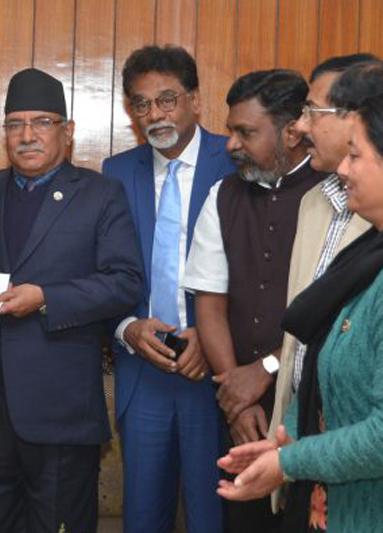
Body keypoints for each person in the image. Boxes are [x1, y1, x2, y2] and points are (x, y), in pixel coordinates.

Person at [0, 67, 143, 533]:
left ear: (67, 132)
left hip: (60, 409)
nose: (27, 135)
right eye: (15, 124)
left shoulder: (100, 194)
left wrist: (47, 298)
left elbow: (125, 281)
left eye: (42, 122)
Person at [217, 92, 383, 533]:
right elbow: (325, 378)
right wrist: (282, 439)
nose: (343, 170)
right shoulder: (365, 259)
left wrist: (290, 460)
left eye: (355, 156)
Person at [183, 69, 325, 532]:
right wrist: (238, 400)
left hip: (317, 408)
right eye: (230, 130)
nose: (231, 145)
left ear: (291, 132)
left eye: (246, 132)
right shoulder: (221, 196)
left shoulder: (337, 197)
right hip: (242, 411)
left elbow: (334, 312)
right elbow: (210, 305)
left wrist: (266, 371)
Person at [101, 45, 234, 533]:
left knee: (213, 516)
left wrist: (211, 333)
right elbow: (105, 269)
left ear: (195, 99)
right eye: (140, 103)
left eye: (166, 100)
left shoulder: (234, 160)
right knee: (143, 517)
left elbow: (258, 267)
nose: (154, 114)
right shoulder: (116, 173)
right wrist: (127, 326)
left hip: (215, 371)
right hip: (144, 368)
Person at [266, 54, 379, 507]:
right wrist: (288, 440)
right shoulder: (313, 201)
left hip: (354, 467)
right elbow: (308, 349)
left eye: (313, 110)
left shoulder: (369, 220)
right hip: (309, 447)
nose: (302, 126)